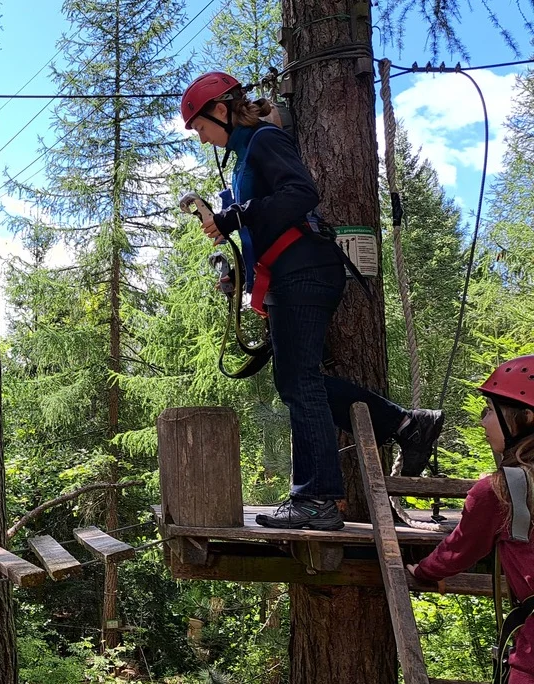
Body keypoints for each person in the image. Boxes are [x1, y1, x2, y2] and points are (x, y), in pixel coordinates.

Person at [180, 71, 444, 530]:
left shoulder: (263, 140)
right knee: (297, 383)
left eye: (201, 128)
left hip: (304, 272)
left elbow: (302, 192)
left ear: (220, 111)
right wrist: (238, 255)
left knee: (299, 383)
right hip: (290, 275)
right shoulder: (246, 155)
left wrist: (236, 215)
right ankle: (405, 425)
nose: (203, 139)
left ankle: (318, 498)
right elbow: (262, 216)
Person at [407, 356, 534, 684]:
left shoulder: (500, 491)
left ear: (524, 419)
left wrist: (423, 571)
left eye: (490, 410)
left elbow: (460, 549)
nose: (482, 422)